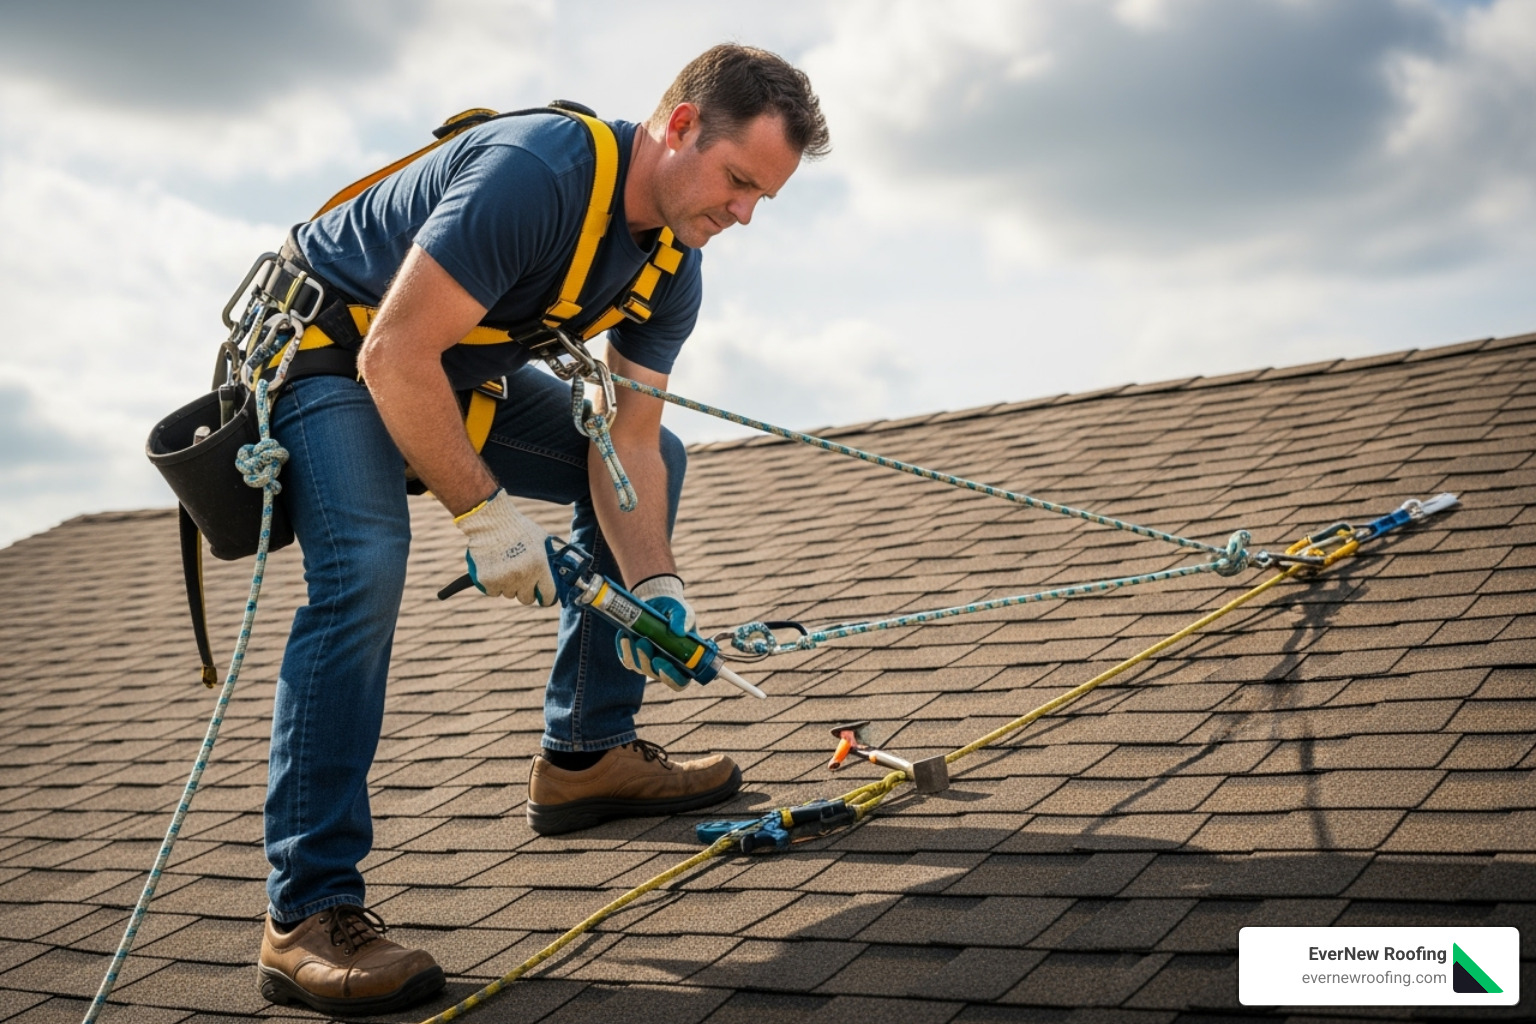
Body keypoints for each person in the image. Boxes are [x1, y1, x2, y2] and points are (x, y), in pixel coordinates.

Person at [252, 45, 829, 1015]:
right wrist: (485, 516)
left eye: (761, 199)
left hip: (441, 368)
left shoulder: (670, 264)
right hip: (333, 348)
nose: (742, 215)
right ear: (680, 126)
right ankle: (305, 915)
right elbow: (394, 354)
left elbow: (633, 446)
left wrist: (659, 592)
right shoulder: (541, 175)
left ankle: (587, 752)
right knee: (366, 565)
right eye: (738, 181)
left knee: (667, 459)